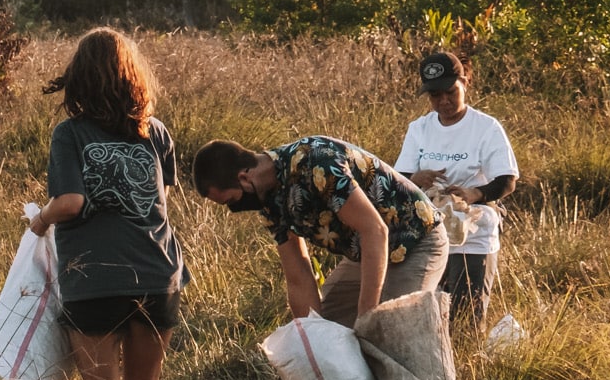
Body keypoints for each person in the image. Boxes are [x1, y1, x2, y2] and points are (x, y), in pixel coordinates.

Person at [29, 27, 186, 380]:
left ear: (79, 79)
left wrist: (40, 220)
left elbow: (72, 201)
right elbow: (160, 200)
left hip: (94, 279)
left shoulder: (70, 134)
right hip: (157, 275)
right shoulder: (154, 132)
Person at [192, 133, 448, 327]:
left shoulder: (316, 163)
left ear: (245, 178)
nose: (235, 210)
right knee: (327, 325)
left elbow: (374, 230)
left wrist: (366, 315)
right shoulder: (268, 201)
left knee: (391, 331)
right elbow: (298, 275)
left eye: (231, 202)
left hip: (416, 239)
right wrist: (311, 339)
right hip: (367, 251)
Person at [396, 48, 519, 327]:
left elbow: (507, 180)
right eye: (435, 96)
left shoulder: (486, 128)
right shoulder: (420, 128)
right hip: (430, 232)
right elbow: (399, 177)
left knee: (466, 318)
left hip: (472, 235)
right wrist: (417, 178)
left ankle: (468, 365)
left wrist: (474, 194)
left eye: (451, 92)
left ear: (465, 83)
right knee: (429, 317)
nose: (444, 101)